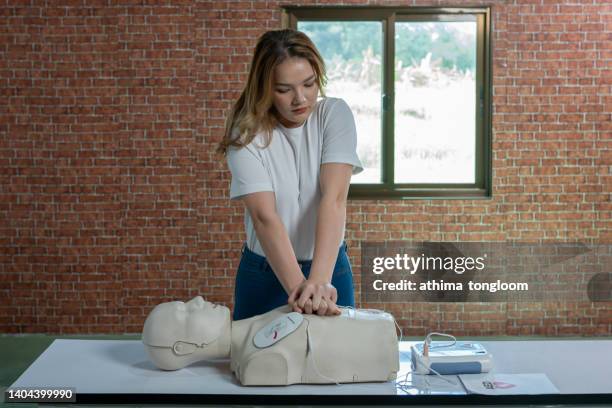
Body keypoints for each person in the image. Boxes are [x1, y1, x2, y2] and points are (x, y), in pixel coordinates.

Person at [216, 29, 364, 321]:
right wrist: (303, 293)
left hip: (330, 270)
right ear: (264, 88)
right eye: (284, 89)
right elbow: (264, 217)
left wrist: (319, 283)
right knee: (258, 365)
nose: (301, 98)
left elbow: (333, 199)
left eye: (309, 84)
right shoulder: (246, 133)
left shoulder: (334, 115)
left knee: (340, 365)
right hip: (265, 273)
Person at [141, 296, 399, 386]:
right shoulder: (258, 361)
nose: (197, 300)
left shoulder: (255, 328)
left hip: (380, 329)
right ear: (183, 348)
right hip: (380, 346)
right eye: (186, 312)